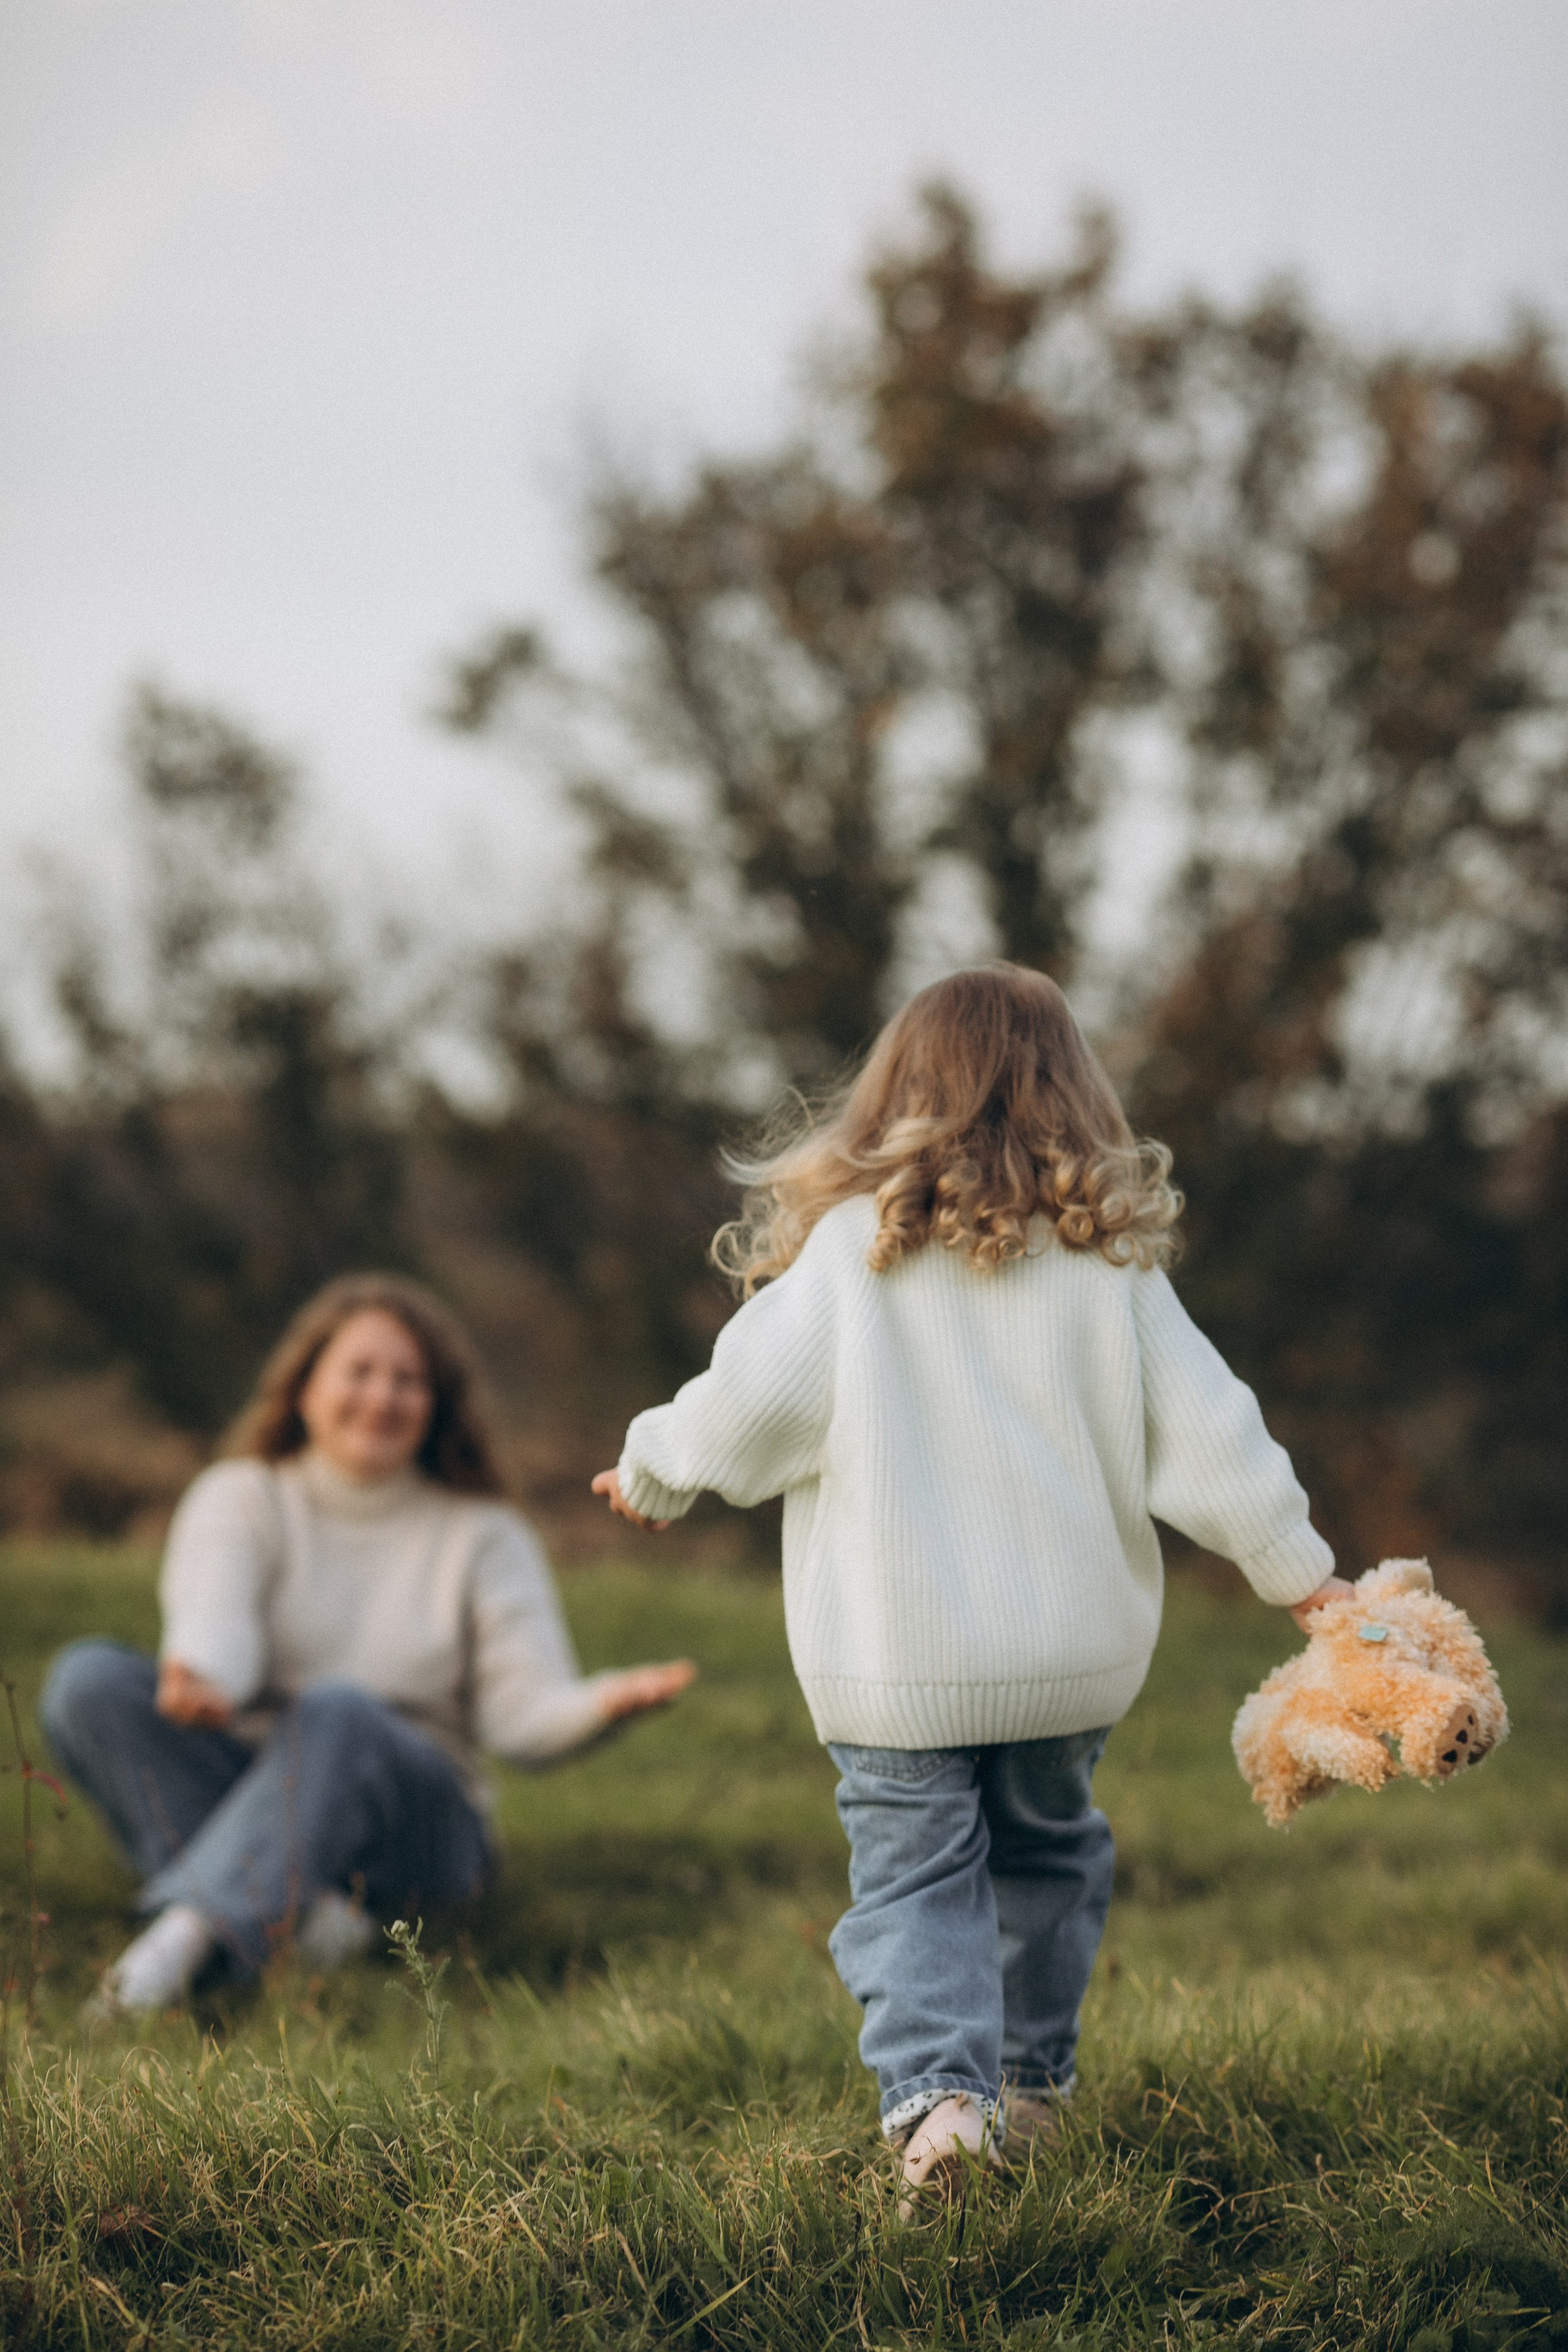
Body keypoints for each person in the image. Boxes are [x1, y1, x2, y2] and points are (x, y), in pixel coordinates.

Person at [592, 965, 1349, 2203]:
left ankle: (941, 2110)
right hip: (1068, 1662)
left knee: (913, 1879)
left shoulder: (851, 1258)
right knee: (1045, 1859)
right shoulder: (1109, 1268)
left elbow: (738, 1412)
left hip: (897, 1666)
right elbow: (1215, 1434)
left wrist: (650, 1470)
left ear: (891, 1094)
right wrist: (1300, 1579)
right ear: (1076, 1099)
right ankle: (1032, 2091)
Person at [42, 1273, 695, 2016]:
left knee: (338, 1713)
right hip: (260, 1786)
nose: (382, 1397)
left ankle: (179, 1943)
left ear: (436, 1404)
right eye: (359, 1372)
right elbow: (216, 1619)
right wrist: (201, 1672)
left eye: (408, 1381)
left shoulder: (483, 1534)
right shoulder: (243, 1496)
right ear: (304, 1385)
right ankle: (292, 1923)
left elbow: (522, 1716)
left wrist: (598, 1705)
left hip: (420, 1833)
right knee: (87, 1680)